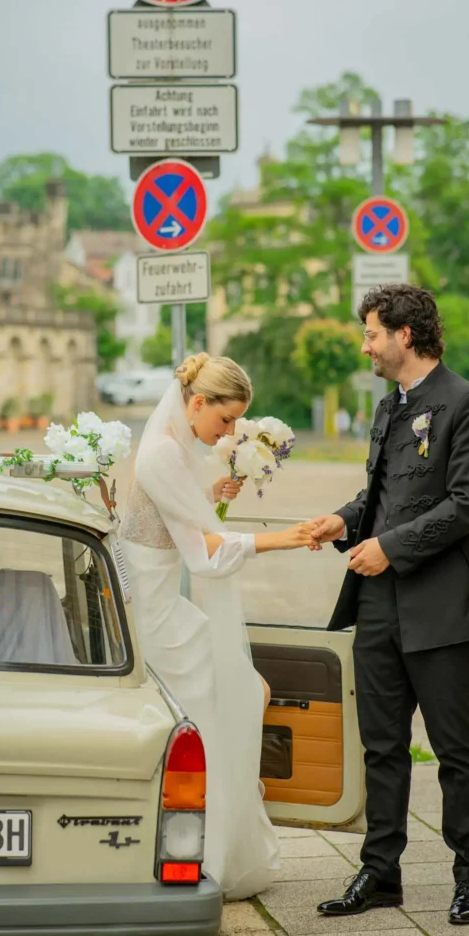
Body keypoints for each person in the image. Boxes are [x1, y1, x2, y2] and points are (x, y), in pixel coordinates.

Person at [311, 285, 469, 926]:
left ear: (405, 336)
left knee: (455, 749)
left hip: (444, 606)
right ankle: (380, 873)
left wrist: (389, 548)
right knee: (381, 747)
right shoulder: (387, 407)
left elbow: (468, 502)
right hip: (378, 606)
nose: (365, 345)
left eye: (371, 333)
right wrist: (340, 521)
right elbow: (381, 495)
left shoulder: (468, 404)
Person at [120, 353, 317, 900]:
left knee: (245, 693)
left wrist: (210, 495)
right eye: (225, 420)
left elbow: (163, 514)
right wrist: (285, 538)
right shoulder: (163, 451)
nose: (229, 433)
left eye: (236, 423)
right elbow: (204, 553)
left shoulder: (171, 445)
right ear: (197, 402)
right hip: (157, 616)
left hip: (162, 603)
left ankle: (218, 829)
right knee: (232, 700)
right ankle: (206, 844)